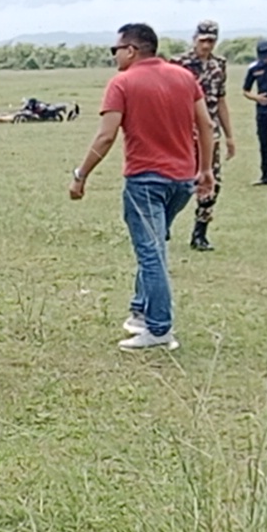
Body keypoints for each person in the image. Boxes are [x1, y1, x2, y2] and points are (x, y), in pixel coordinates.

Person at [69, 23, 214, 350]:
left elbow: (106, 136)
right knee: (155, 245)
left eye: (116, 50)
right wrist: (205, 169)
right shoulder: (184, 77)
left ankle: (159, 329)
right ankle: (139, 311)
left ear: (131, 50)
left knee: (151, 253)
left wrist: (81, 175)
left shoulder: (122, 83)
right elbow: (205, 125)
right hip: (182, 181)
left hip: (146, 181)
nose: (114, 56)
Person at [173, 21, 236, 250]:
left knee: (212, 182)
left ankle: (200, 233)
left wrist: (229, 135)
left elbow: (221, 101)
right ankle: (164, 222)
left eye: (211, 41)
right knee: (175, 181)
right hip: (182, 132)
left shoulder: (219, 65)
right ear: (194, 39)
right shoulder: (179, 64)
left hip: (209, 134)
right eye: (203, 41)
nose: (207, 45)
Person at [246, 39, 267, 185]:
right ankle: (266, 176)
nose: (265, 58)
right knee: (264, 144)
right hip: (263, 111)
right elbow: (246, 90)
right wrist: (256, 98)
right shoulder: (254, 68)